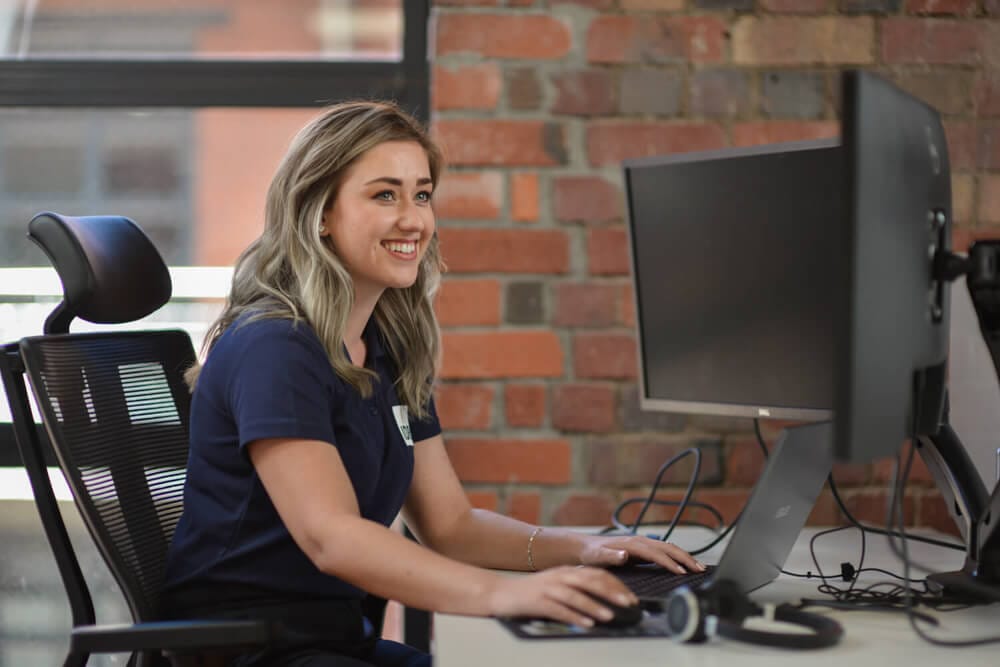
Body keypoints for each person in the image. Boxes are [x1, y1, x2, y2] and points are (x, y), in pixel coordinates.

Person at [160, 100, 704, 667]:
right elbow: (332, 538)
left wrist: (588, 550)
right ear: (319, 213)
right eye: (384, 195)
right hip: (248, 652)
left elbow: (449, 525)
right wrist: (501, 595)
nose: (414, 220)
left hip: (329, 642)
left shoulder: (385, 348)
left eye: (421, 195)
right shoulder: (275, 347)